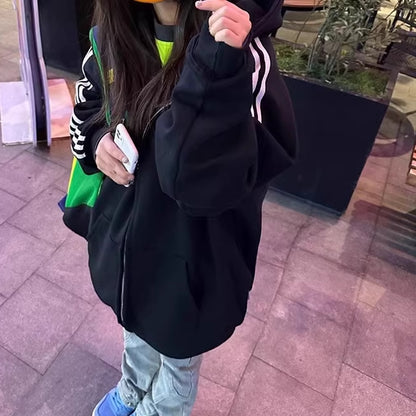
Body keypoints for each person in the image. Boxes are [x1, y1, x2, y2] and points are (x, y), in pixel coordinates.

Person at [68, 0, 297, 414]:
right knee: (135, 332)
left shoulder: (242, 51)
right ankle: (132, 389)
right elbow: (86, 110)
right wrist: (98, 140)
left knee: (177, 364)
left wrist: (216, 65)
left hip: (193, 262)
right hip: (127, 248)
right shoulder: (112, 35)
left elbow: (217, 179)